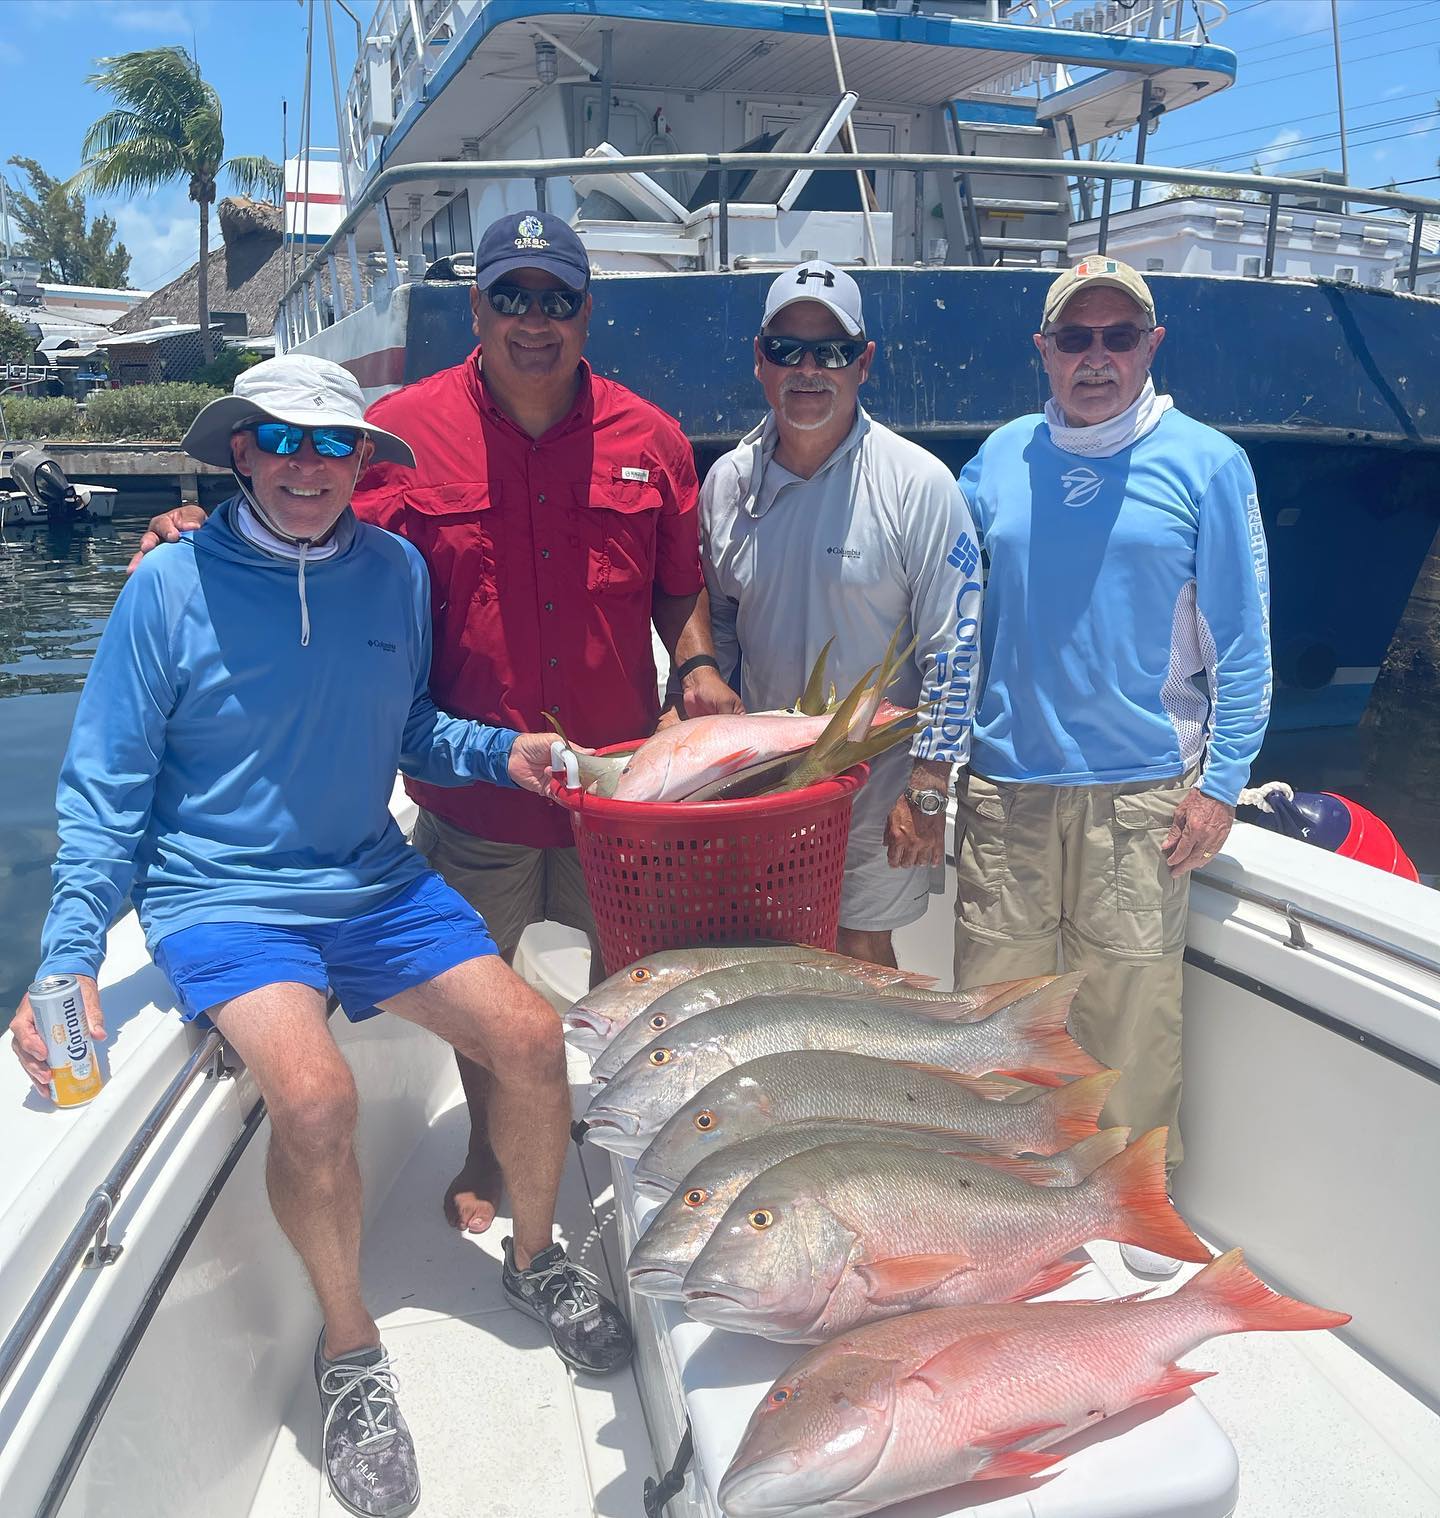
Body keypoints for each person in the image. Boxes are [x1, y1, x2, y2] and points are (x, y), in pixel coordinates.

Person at [11, 355, 633, 1518]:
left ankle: (538, 1258)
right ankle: (349, 1352)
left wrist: (505, 753)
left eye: (332, 444)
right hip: (220, 895)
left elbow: (413, 730)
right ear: (239, 451)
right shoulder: (167, 584)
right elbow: (106, 785)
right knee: (313, 1099)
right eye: (281, 441)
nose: (307, 466)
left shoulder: (395, 571)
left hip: (371, 875)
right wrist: (69, 955)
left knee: (534, 1038)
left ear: (363, 461)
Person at [133, 210, 742, 1237]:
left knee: (639, 989)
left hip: (618, 792)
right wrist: (199, 533)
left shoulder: (655, 439)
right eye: (511, 295)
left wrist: (699, 665)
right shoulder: (403, 433)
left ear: (586, 314)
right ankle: (482, 1140)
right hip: (474, 790)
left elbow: (679, 589)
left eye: (556, 299)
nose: (533, 319)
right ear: (477, 308)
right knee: (488, 1003)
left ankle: (637, 1132)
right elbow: (300, 515)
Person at [954, 257, 1272, 1275]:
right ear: (1042, 350)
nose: (1097, 357)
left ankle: (1136, 1194)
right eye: (1076, 337)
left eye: (1118, 337)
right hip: (1007, 785)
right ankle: (1008, 1182)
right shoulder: (996, 460)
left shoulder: (1209, 464)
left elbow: (1246, 643)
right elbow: (958, 624)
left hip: (1142, 785)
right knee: (1001, 1005)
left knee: (1132, 1002)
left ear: (1151, 347)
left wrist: (1220, 782)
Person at [701, 262, 982, 968]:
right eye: (788, 349)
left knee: (859, 948)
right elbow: (724, 627)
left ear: (865, 363)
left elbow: (955, 647)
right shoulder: (727, 482)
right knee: (768, 943)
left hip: (877, 781)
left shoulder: (919, 482)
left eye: (830, 352)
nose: (808, 369)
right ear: (760, 360)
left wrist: (928, 787)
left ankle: (879, 1084)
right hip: (765, 780)